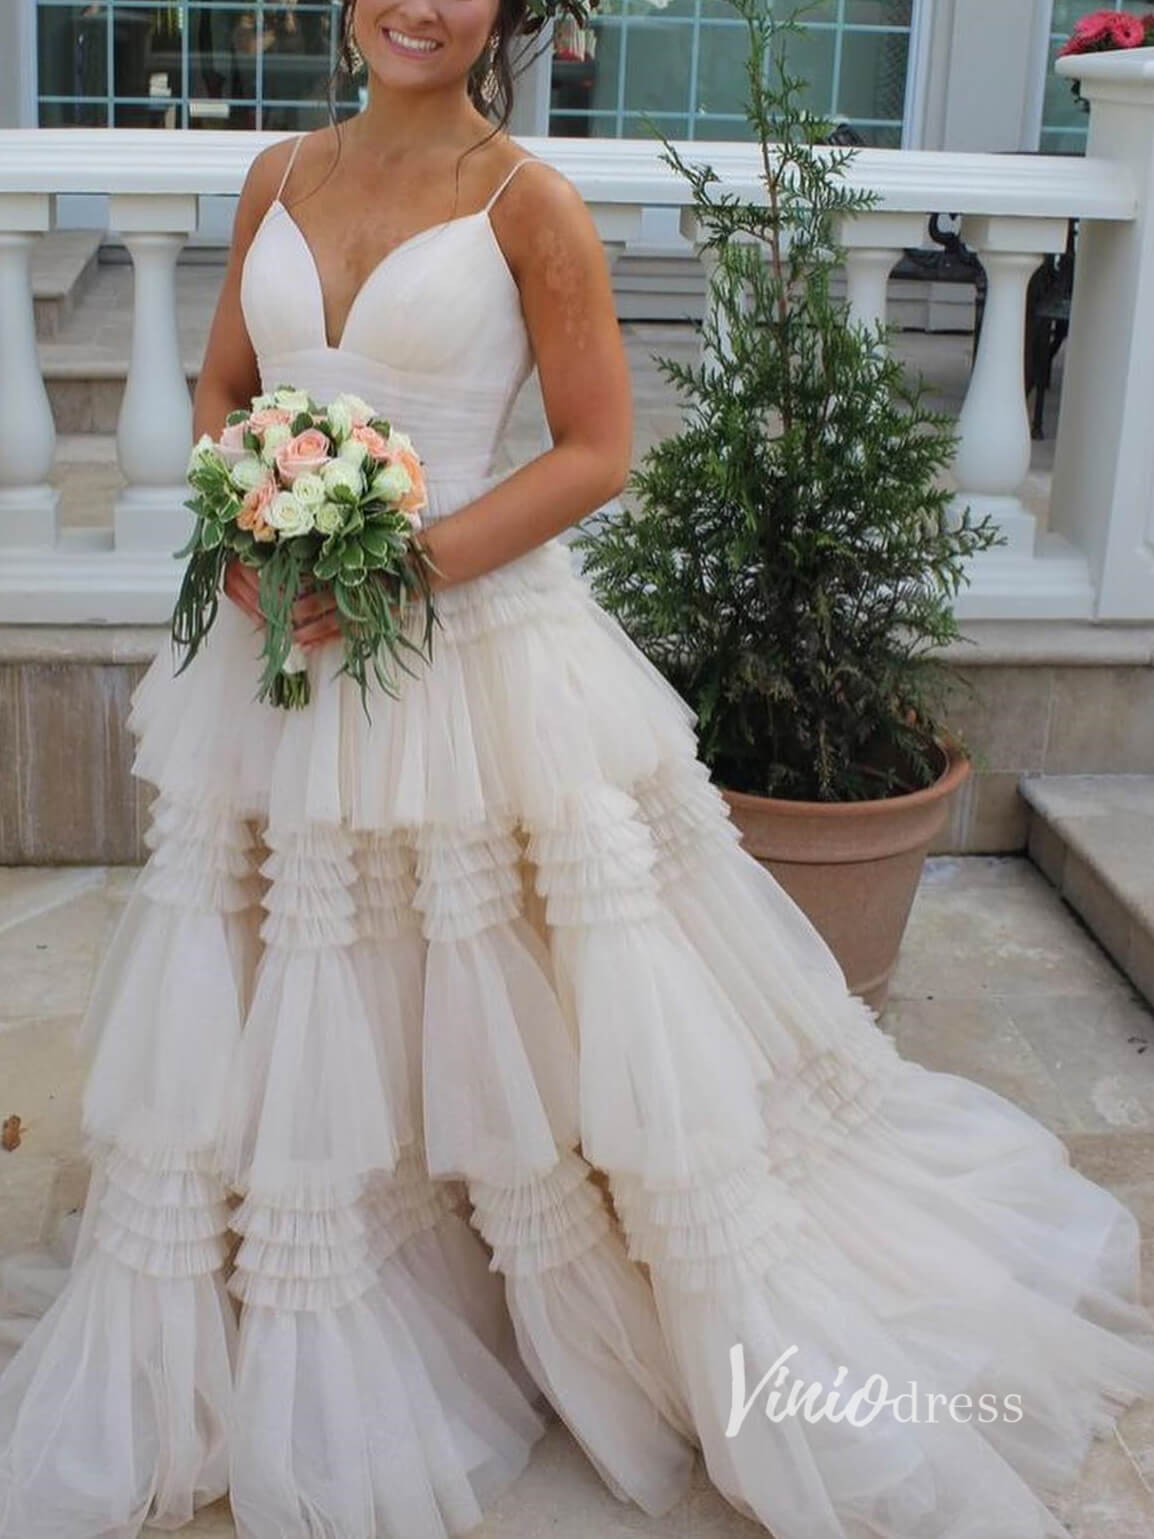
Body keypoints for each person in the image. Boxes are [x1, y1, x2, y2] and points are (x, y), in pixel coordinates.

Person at [4, 1, 1154, 1536]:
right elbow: (221, 387)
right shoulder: (277, 172)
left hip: (462, 643)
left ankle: (515, 1268)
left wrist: (401, 568)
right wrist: (239, 524)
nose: (419, 8)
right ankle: (321, 1243)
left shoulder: (525, 199)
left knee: (499, 963)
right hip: (280, 641)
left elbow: (594, 447)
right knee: (295, 941)